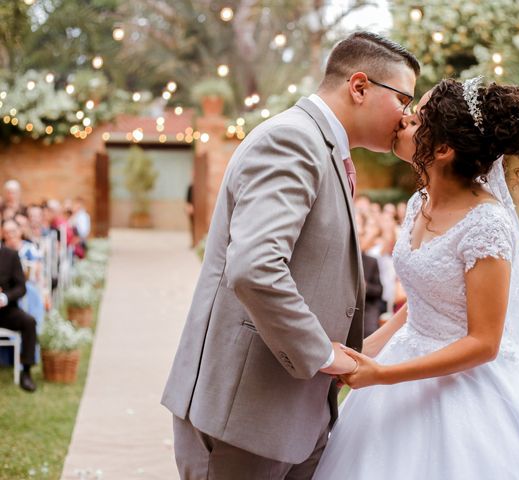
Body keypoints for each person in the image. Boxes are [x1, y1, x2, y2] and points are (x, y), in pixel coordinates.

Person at [312, 78, 519, 479]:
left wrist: (383, 375)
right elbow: (423, 300)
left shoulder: (486, 223)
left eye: (416, 120)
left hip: (468, 389)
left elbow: (484, 342)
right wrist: (364, 351)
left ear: (444, 149)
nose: (402, 121)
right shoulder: (419, 203)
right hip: (405, 358)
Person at [161, 31, 419, 480]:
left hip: (294, 416)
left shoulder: (325, 150)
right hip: (243, 419)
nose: (407, 116)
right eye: (404, 99)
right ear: (359, 87)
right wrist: (325, 354)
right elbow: (256, 268)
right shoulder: (292, 140)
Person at [0, 235, 37, 392]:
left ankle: (26, 372)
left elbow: (21, 287)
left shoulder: (11, 255)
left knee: (29, 322)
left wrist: (5, 297)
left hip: (6, 311)